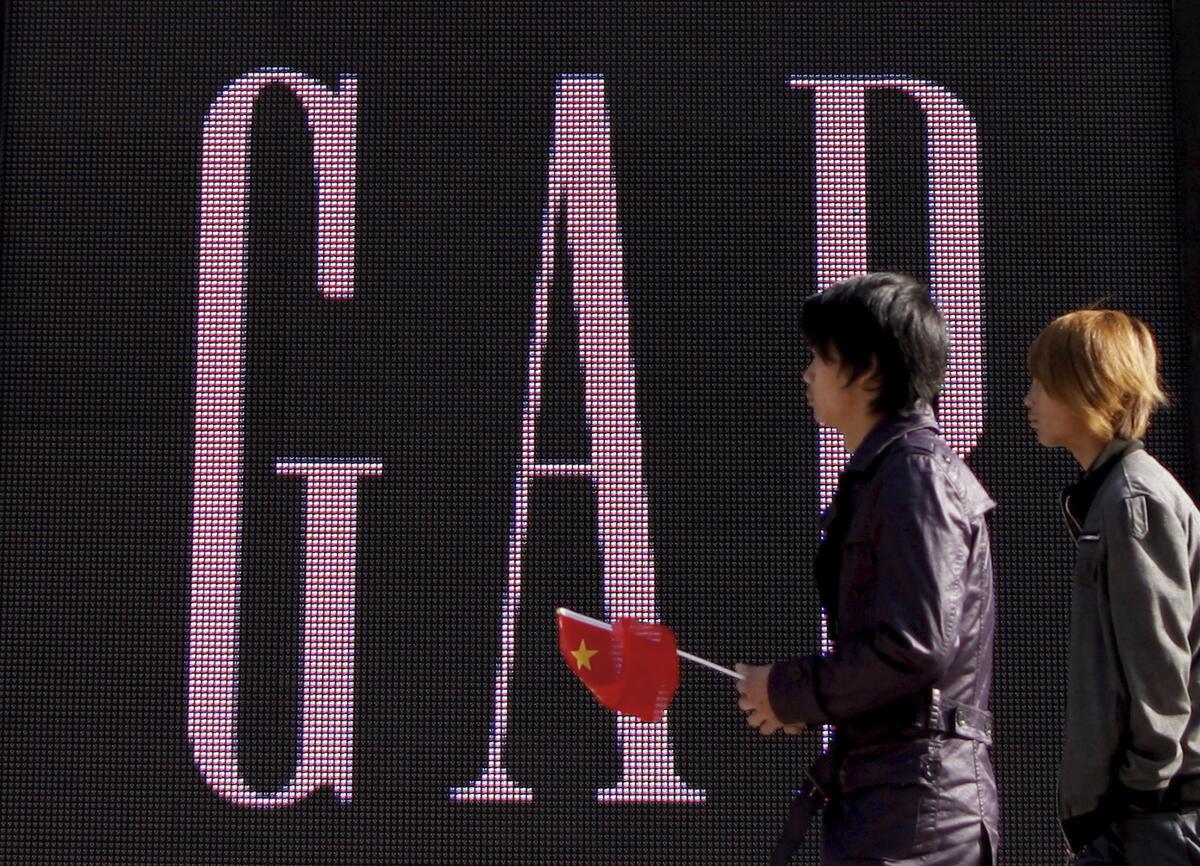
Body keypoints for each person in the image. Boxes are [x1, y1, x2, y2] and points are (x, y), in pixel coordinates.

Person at [735, 272, 999, 865]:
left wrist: (791, 691)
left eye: (820, 358)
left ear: (870, 370)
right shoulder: (896, 470)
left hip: (918, 811)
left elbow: (915, 646)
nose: (807, 374)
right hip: (896, 797)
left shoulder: (915, 474)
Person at [1024, 309, 1200, 864]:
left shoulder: (1134, 502)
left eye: (1042, 381)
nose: (1028, 398)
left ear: (1087, 388)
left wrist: (1140, 793)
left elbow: (1159, 665)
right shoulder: (1120, 497)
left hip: (1152, 825)